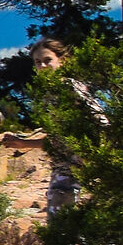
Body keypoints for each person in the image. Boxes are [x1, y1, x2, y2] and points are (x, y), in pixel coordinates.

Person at [30, 39, 102, 215]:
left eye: (48, 60)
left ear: (62, 60)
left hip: (79, 166)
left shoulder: (69, 87)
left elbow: (100, 120)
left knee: (64, 227)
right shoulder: (47, 94)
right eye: (38, 62)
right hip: (62, 167)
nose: (43, 66)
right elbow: (57, 139)